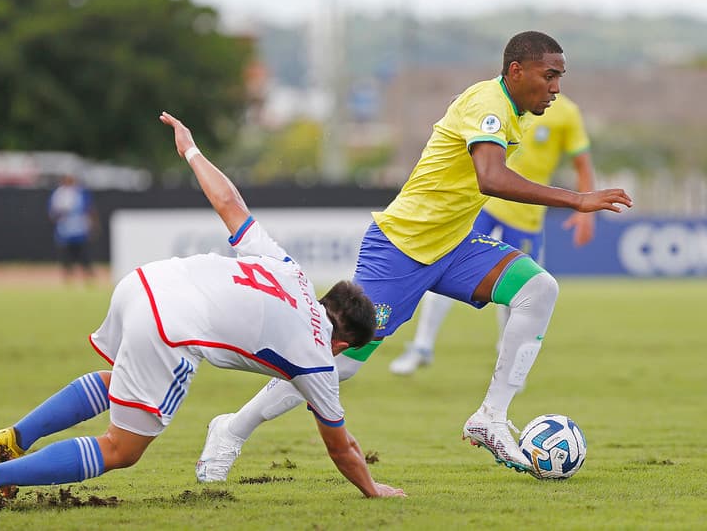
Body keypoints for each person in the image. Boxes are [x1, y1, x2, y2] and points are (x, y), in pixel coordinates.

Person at [194, 31, 632, 482]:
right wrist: (577, 200)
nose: (557, 87)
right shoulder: (488, 104)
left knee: (538, 288)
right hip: (400, 249)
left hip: (453, 246)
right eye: (550, 75)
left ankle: (491, 417)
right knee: (336, 362)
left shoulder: (513, 110)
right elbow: (491, 178)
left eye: (560, 76)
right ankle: (231, 429)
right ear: (517, 71)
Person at [0, 112, 405, 507]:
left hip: (144, 283)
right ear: (342, 343)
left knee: (124, 384)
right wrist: (372, 489)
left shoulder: (292, 271)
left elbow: (230, 203)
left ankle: (14, 438)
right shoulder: (318, 361)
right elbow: (342, 448)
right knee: (121, 450)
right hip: (171, 325)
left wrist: (191, 151)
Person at [390, 93, 596, 375]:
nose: (550, 84)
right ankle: (422, 346)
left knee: (521, 288)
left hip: (526, 215)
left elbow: (582, 163)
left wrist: (585, 212)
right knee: (442, 264)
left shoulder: (566, 113)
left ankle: (507, 358)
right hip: (484, 204)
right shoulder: (500, 103)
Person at [48, 173, 99, 284]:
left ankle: (88, 277)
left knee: (83, 255)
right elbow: (53, 214)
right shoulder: (59, 194)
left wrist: (92, 226)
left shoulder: (80, 193)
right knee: (66, 256)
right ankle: (68, 278)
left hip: (80, 230)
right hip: (65, 231)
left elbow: (89, 210)